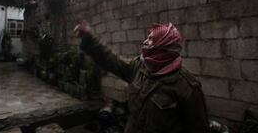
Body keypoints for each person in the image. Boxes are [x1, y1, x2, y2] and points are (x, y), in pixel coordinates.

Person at [74, 21, 210, 133]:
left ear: (164, 45)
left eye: (151, 39)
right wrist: (89, 39)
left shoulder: (187, 87)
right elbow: (110, 60)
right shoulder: (138, 67)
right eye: (147, 37)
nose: (145, 42)